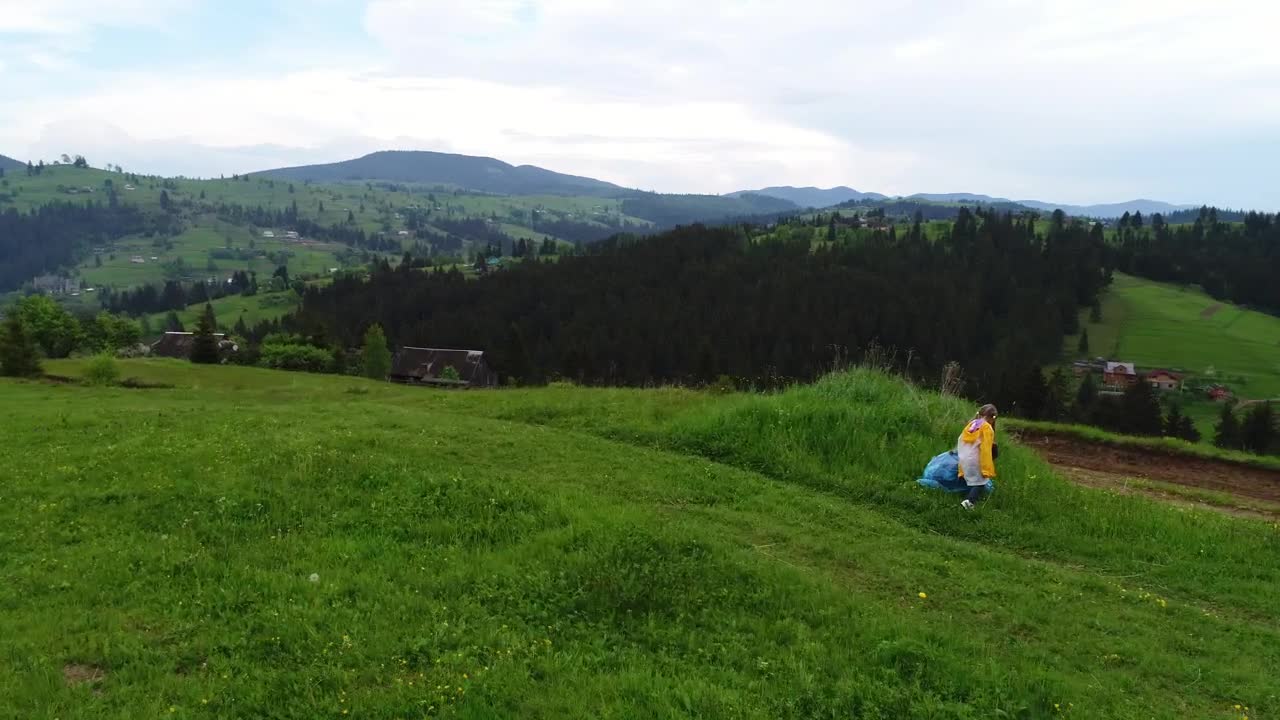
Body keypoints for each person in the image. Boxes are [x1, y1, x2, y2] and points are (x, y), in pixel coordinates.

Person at [957, 404, 998, 509]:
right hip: (976, 459)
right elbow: (985, 449)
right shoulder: (987, 427)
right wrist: (986, 468)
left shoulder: (971, 425)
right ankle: (969, 503)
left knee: (972, 480)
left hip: (964, 458)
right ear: (993, 418)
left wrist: (961, 462)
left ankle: (965, 497)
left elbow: (960, 441)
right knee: (980, 482)